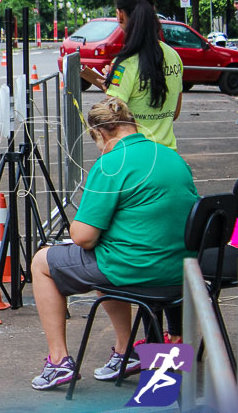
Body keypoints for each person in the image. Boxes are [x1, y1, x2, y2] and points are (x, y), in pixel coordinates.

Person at [29, 97, 198, 391]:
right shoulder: (170, 155)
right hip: (184, 272)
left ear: (102, 133)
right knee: (103, 254)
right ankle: (126, 351)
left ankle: (58, 361)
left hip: (139, 270)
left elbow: (83, 236)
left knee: (42, 262)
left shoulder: (111, 163)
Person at [101, 0, 183, 150]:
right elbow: (174, 113)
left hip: (136, 161)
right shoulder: (173, 56)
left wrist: (108, 87)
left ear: (120, 15)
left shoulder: (124, 64)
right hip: (169, 157)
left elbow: (112, 121)